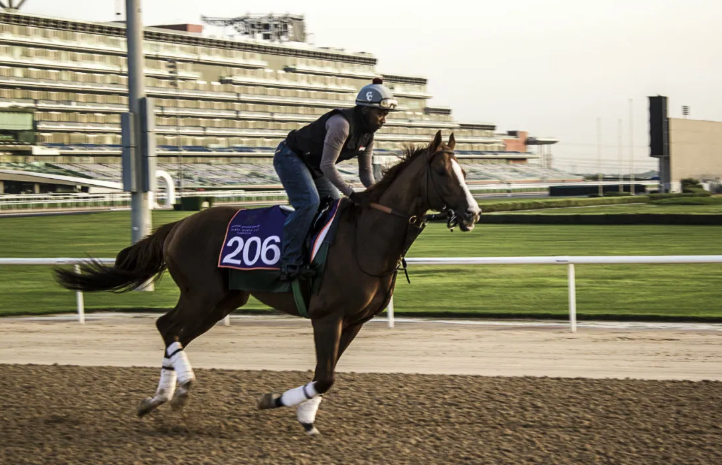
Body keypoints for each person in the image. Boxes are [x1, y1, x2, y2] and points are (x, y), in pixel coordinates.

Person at [273, 78, 398, 282]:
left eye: (386, 115)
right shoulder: (341, 125)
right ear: (366, 110)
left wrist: (379, 195)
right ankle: (290, 262)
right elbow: (327, 165)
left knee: (333, 204)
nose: (384, 119)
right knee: (309, 203)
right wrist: (352, 193)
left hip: (311, 163)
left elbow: (366, 174)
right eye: (381, 113)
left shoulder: (368, 135)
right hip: (290, 156)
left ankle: (316, 251)